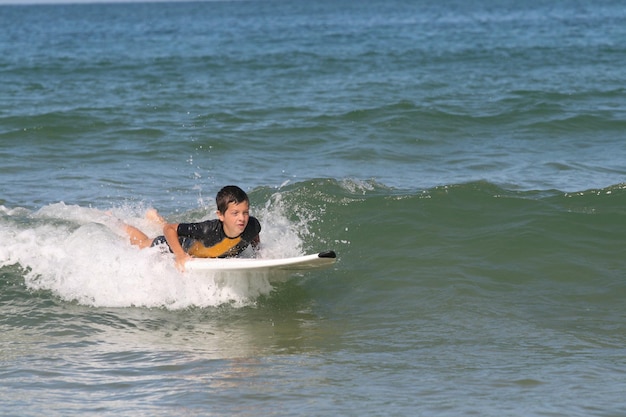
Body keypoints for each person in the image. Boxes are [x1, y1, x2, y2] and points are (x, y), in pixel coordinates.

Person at [123, 185, 261, 271]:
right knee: (143, 243)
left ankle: (155, 218)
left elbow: (254, 235)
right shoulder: (207, 230)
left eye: (245, 212)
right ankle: (115, 222)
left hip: (205, 250)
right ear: (221, 215)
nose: (242, 218)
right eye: (235, 213)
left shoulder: (252, 225)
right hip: (180, 245)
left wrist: (257, 252)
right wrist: (180, 255)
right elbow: (169, 230)